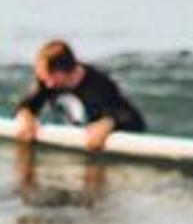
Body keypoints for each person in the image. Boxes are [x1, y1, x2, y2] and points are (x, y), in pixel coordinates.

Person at [12, 38, 148, 153]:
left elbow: (135, 121)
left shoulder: (99, 85)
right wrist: (25, 114)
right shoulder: (47, 84)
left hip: (95, 150)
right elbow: (26, 104)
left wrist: (109, 123)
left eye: (49, 78)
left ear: (61, 72)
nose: (47, 85)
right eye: (43, 79)